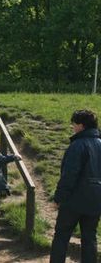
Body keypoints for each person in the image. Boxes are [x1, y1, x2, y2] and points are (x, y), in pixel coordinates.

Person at [50, 110, 101, 263]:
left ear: (81, 125)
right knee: (89, 237)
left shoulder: (77, 145)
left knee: (61, 236)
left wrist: (59, 197)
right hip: (96, 199)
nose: (72, 127)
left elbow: (69, 175)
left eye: (74, 123)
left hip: (74, 199)